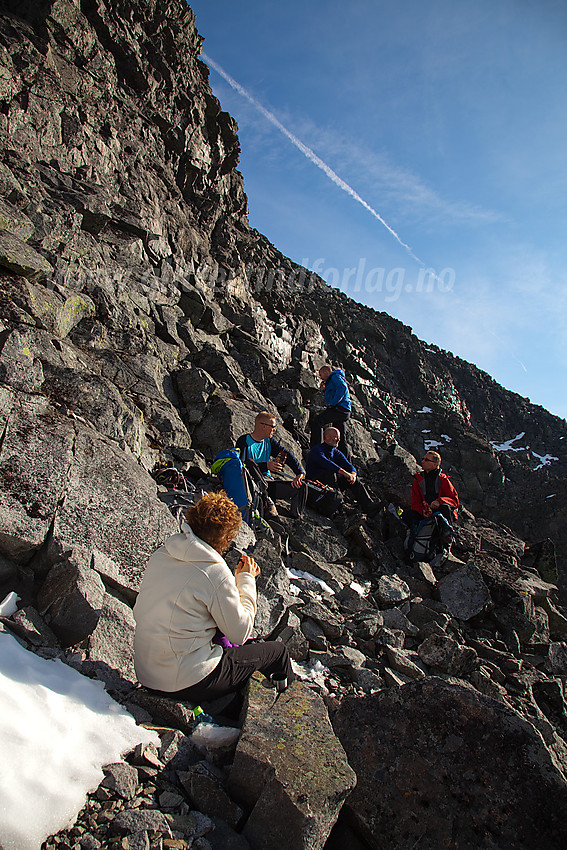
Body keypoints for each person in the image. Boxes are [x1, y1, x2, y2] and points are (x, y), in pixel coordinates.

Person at [133, 492, 294, 703]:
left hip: (147, 673)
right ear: (226, 539)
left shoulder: (163, 553)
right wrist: (246, 580)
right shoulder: (214, 572)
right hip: (185, 680)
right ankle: (291, 708)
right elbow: (240, 632)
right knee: (277, 653)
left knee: (249, 650)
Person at [235, 411, 307, 517]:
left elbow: (286, 454)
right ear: (263, 426)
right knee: (250, 463)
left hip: (268, 483)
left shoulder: (269, 441)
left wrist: (299, 473)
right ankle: (267, 503)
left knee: (301, 486)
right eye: (273, 426)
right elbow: (241, 466)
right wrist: (266, 466)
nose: (274, 429)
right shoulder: (244, 441)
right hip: (253, 483)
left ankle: (293, 517)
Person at [306, 427, 379, 515]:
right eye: (336, 437)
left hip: (330, 485)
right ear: (328, 437)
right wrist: (343, 472)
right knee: (330, 473)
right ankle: (340, 505)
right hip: (315, 484)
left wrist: (353, 475)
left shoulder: (336, 452)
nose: (338, 440)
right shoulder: (317, 450)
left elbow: (349, 466)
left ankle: (368, 505)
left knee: (353, 480)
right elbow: (326, 463)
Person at [405, 450, 459, 528]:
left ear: (434, 464)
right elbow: (415, 503)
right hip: (426, 512)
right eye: (423, 459)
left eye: (426, 460)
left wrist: (439, 501)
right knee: (408, 514)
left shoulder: (443, 480)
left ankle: (447, 535)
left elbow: (454, 500)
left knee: (444, 508)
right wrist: (423, 511)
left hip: (441, 511)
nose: (423, 461)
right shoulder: (418, 480)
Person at [310, 364, 351, 457]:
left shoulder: (335, 377)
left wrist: (333, 403)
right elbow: (334, 391)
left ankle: (317, 449)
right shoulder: (332, 380)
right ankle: (346, 462)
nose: (320, 377)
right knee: (340, 437)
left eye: (321, 375)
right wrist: (325, 389)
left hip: (339, 408)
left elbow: (342, 388)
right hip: (344, 410)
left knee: (318, 421)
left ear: (326, 372)